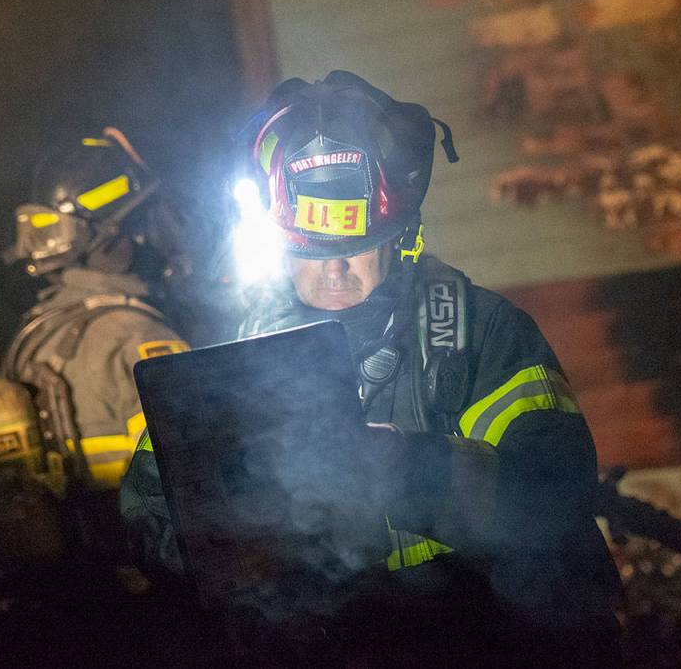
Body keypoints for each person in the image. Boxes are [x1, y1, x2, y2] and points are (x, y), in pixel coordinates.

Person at [120, 72, 621, 664]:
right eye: (309, 250)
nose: (333, 270)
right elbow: (149, 514)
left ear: (400, 234)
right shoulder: (240, 359)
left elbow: (552, 496)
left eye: (354, 248)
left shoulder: (472, 335)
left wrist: (408, 471)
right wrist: (227, 538)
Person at [0, 128, 190, 559]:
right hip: (150, 595)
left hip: (77, 596)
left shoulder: (36, 338)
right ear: (118, 235)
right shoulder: (140, 339)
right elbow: (195, 487)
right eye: (144, 219)